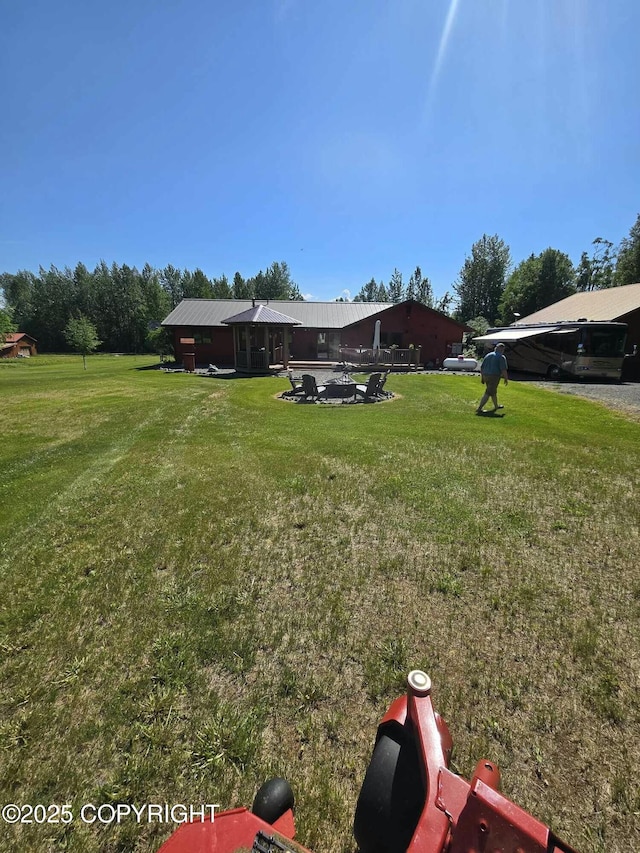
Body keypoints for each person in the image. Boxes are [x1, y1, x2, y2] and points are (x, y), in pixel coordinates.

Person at [476, 343, 508, 414]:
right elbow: (503, 369)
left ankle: (496, 406)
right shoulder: (501, 357)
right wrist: (506, 378)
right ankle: (479, 408)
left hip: (486, 375)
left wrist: (482, 377)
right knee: (488, 392)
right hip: (494, 376)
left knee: (493, 391)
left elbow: (482, 367)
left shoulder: (488, 355)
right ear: (501, 349)